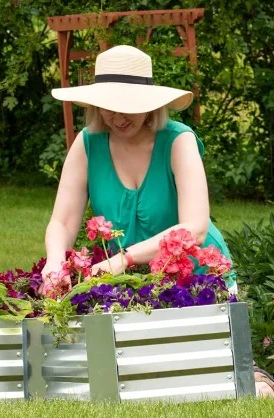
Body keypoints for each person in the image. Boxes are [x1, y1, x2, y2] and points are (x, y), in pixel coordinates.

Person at [42, 44, 235, 288]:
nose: (119, 118)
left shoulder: (179, 141)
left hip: (201, 281)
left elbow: (195, 228)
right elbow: (63, 222)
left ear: (149, 104)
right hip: (130, 283)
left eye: (128, 107)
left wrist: (125, 259)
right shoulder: (88, 144)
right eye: (108, 108)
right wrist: (56, 262)